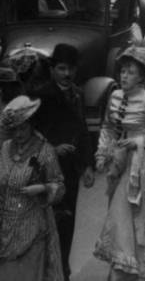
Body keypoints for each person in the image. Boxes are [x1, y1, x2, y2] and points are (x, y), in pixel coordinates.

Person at [93, 45, 145, 281]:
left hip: (139, 168)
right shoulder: (114, 96)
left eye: (131, 72)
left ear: (142, 77)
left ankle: (128, 273)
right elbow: (108, 127)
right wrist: (102, 153)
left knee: (130, 217)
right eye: (123, 71)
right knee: (119, 221)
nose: (124, 76)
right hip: (118, 164)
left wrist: (138, 141)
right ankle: (122, 270)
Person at [31, 44, 95, 281]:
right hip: (45, 172)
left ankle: (63, 272)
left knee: (67, 223)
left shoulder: (77, 93)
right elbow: (30, 134)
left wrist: (88, 165)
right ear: (52, 69)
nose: (67, 74)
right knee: (47, 225)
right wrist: (52, 149)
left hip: (70, 172)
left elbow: (83, 130)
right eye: (61, 68)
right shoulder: (41, 96)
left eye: (71, 69)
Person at [0, 95, 65, 280]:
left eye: (23, 128)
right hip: (5, 230)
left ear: (32, 124)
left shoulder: (45, 151)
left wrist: (43, 188)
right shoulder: (5, 148)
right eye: (14, 129)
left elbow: (59, 186)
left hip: (32, 229)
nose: (18, 134)